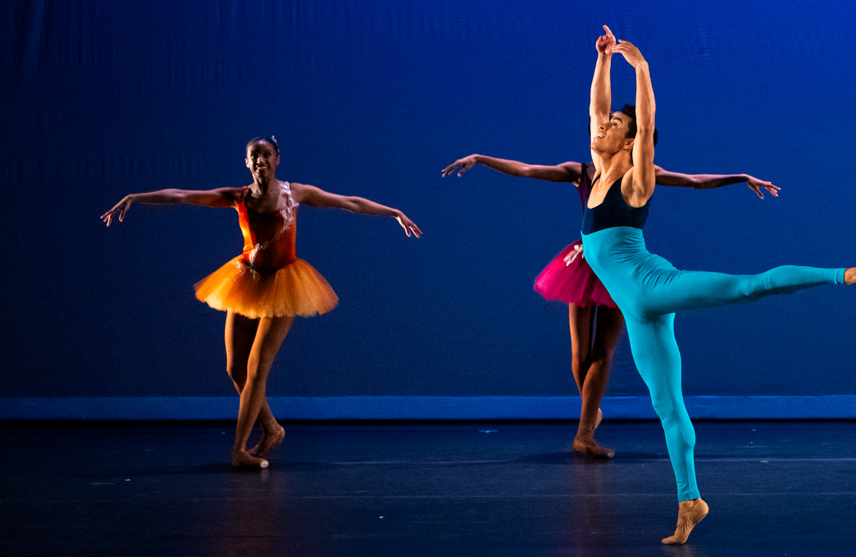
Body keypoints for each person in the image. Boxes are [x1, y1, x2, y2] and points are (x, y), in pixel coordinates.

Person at [576, 30, 856, 543]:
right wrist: (602, 62)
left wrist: (638, 67)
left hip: (654, 284)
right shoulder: (597, 169)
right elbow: (597, 106)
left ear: (632, 141)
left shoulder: (637, 180)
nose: (600, 126)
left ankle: (846, 274)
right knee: (667, 406)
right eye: (605, 123)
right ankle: (690, 501)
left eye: (614, 124)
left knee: (749, 287)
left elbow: (648, 121)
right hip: (637, 308)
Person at [442, 133, 780, 459]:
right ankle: (590, 414)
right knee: (581, 354)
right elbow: (527, 169)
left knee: (602, 351)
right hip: (587, 261)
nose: (605, 133)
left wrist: (740, 177)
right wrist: (481, 159)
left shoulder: (644, 174)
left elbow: (693, 180)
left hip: (622, 269)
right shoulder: (582, 171)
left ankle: (584, 432)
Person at [100, 137, 420, 468]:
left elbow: (347, 202)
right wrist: (135, 197)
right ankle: (272, 428)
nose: (260, 161)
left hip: (285, 283)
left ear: (277, 159)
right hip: (247, 279)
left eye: (266, 155)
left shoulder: (294, 193)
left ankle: (239, 449)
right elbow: (182, 196)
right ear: (247, 162)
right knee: (236, 368)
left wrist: (393, 212)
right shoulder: (238, 197)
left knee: (256, 368)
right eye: (254, 156)